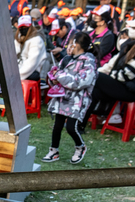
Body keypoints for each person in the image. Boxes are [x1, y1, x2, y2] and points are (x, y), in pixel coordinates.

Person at [81, 13, 135, 130]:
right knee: (95, 88)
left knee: (97, 77)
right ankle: (80, 123)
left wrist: (107, 75)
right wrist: (102, 72)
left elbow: (128, 74)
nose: (130, 30)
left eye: (134, 28)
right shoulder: (132, 44)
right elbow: (112, 64)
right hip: (125, 84)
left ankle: (98, 116)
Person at [42, 32, 97, 165]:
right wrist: (53, 78)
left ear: (78, 45)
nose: (68, 46)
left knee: (71, 127)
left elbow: (80, 82)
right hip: (62, 97)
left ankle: (80, 146)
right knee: (57, 125)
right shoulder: (67, 59)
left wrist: (59, 75)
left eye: (71, 43)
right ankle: (53, 150)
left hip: (77, 100)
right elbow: (59, 74)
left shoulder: (88, 62)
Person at [14, 15, 46, 81]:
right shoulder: (18, 38)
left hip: (33, 70)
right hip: (19, 67)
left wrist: (18, 75)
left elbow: (32, 62)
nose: (23, 29)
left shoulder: (36, 39)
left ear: (31, 26)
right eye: (21, 27)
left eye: (26, 27)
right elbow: (13, 54)